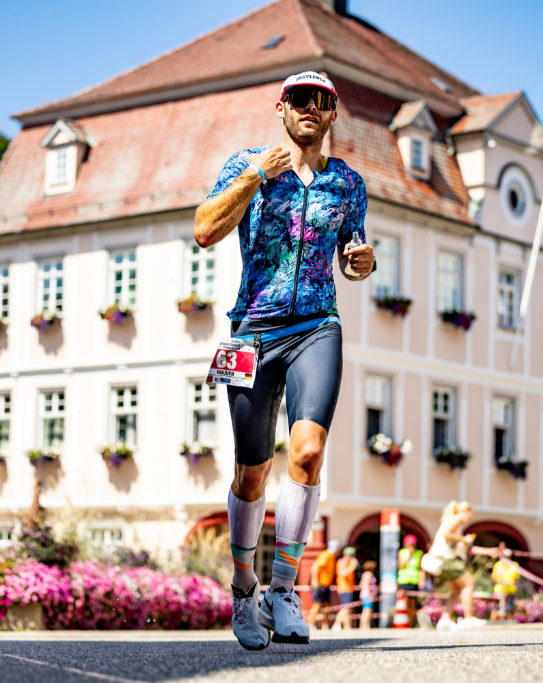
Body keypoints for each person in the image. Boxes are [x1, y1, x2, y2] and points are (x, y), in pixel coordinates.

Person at [194, 70, 375, 650]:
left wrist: (361, 263)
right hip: (252, 331)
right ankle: (244, 588)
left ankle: (283, 590)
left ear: (332, 114)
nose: (309, 108)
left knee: (308, 451)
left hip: (318, 324)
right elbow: (204, 230)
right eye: (299, 98)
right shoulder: (246, 164)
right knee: (252, 470)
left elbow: (352, 254)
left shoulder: (348, 183)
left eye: (321, 101)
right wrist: (255, 177)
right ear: (281, 107)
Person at [422, 501, 495, 630]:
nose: (470, 520)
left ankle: (445, 620)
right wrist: (464, 539)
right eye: (470, 516)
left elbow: (468, 549)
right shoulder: (455, 519)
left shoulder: (456, 528)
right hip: (445, 560)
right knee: (469, 583)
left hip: (438, 563)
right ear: (466, 512)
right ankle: (468, 618)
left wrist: (489, 551)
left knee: (456, 590)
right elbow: (446, 534)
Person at [307, 539, 340, 629]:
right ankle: (310, 624)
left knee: (327, 605)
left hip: (326, 585)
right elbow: (315, 566)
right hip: (321, 584)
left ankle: (325, 625)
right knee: (318, 604)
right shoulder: (326, 554)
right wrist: (314, 580)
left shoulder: (332, 556)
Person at [490, 543, 521, 620]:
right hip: (499, 592)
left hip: (510, 592)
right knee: (496, 609)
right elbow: (493, 578)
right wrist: (501, 582)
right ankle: (492, 623)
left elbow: (517, 579)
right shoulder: (498, 565)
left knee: (510, 610)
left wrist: (511, 582)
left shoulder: (515, 565)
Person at [397, 534, 424, 620]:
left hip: (414, 581)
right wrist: (409, 556)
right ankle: (404, 622)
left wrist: (422, 580)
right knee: (404, 603)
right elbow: (402, 565)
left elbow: (421, 569)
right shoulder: (402, 553)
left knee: (412, 604)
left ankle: (410, 623)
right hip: (403, 581)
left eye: (413, 545)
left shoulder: (419, 553)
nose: (411, 546)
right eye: (409, 545)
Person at [333, 546, 359, 630]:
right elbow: (342, 573)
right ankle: (337, 623)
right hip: (344, 588)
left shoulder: (347, 562)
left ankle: (347, 627)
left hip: (349, 588)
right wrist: (353, 566)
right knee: (346, 608)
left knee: (348, 609)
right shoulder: (342, 562)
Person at [358, 560, 377, 630]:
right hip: (367, 595)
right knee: (367, 611)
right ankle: (365, 626)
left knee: (365, 611)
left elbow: (361, 584)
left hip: (364, 595)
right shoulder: (369, 574)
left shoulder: (364, 574)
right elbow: (366, 585)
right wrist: (371, 594)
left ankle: (363, 626)